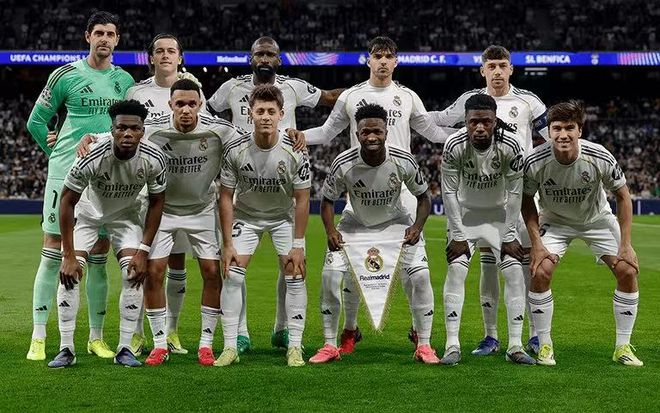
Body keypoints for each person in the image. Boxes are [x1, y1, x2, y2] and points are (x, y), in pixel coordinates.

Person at [303, 36, 450, 353]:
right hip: (362, 191)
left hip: (404, 191)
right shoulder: (352, 96)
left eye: (388, 56)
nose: (383, 61)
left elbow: (432, 132)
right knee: (352, 266)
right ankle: (349, 330)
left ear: (396, 62)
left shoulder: (407, 96)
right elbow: (327, 132)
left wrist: (465, 132)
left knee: (412, 270)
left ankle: (419, 333)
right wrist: (295, 135)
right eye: (377, 56)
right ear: (367, 60)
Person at [207, 36, 342, 353]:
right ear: (250, 58)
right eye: (259, 54)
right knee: (234, 269)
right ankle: (240, 334)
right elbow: (207, 111)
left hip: (282, 184)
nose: (265, 58)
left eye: (270, 54)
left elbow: (330, 98)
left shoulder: (293, 87)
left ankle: (283, 329)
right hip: (242, 182)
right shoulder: (231, 87)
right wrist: (226, 137)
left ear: (279, 60)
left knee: (291, 266)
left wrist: (364, 93)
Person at [25, 11, 134, 361]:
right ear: (88, 36)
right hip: (66, 176)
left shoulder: (124, 80)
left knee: (98, 255)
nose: (105, 39)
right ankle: (39, 336)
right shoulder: (65, 75)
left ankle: (95, 338)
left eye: (111, 34)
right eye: (99, 32)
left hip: (105, 180)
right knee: (54, 249)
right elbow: (36, 122)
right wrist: (56, 153)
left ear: (117, 40)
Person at [433, 45, 549, 355]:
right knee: (488, 265)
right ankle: (491, 336)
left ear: (511, 69)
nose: (497, 71)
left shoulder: (529, 101)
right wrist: (405, 121)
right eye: (492, 66)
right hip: (479, 197)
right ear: (482, 70)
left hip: (518, 194)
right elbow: (439, 121)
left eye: (502, 65)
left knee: (527, 265)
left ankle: (534, 335)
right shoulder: (469, 102)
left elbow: (554, 139)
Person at [308, 103, 439, 364]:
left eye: (377, 131)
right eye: (365, 132)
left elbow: (424, 198)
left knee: (421, 276)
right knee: (329, 276)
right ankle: (330, 344)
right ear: (357, 134)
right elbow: (326, 201)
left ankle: (424, 345)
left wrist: (417, 227)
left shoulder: (403, 159)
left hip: (396, 223)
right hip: (355, 224)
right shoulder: (343, 162)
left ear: (386, 132)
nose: (371, 137)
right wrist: (331, 230)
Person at [522, 100, 642, 366]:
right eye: (557, 128)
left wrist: (626, 244)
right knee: (540, 271)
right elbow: (526, 200)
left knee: (627, 270)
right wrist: (536, 243)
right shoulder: (535, 161)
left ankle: (622, 346)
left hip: (596, 219)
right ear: (549, 131)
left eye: (569, 128)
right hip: (555, 220)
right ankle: (544, 345)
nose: (563, 134)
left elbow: (623, 196)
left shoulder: (599, 156)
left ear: (579, 130)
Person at [47, 100, 166, 368]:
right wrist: (68, 255)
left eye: (134, 128)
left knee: (133, 273)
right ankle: (66, 349)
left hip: (126, 216)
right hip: (89, 215)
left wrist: (144, 251)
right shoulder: (92, 154)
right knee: (69, 275)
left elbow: (158, 201)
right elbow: (66, 200)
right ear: (112, 130)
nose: (127, 133)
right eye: (121, 127)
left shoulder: (153, 158)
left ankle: (125, 349)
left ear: (142, 131)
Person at [215, 84, 311, 367]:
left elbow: (303, 199)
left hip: (283, 217)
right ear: (250, 114)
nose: (265, 116)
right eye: (260, 111)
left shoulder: (295, 150)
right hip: (246, 217)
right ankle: (230, 345)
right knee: (232, 273)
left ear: (281, 114)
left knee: (295, 273)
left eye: (271, 111)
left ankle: (294, 346)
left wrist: (298, 245)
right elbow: (225, 197)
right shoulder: (236, 149)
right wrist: (227, 244)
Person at [125, 33, 208, 356]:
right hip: (146, 191)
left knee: (177, 262)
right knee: (142, 262)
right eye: (159, 51)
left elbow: (207, 126)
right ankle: (136, 334)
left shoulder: (193, 86)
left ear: (180, 57)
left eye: (171, 51)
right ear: (151, 58)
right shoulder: (137, 92)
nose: (165, 55)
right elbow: (125, 129)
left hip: (183, 189)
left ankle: (171, 332)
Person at [440, 94, 534, 366]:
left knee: (514, 273)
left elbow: (515, 193)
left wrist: (509, 235)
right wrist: (458, 235)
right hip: (466, 215)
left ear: (495, 121)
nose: (479, 128)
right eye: (474, 122)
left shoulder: (511, 145)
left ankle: (515, 345)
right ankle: (452, 345)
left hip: (499, 216)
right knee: (456, 270)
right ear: (465, 121)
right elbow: (448, 192)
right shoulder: (453, 144)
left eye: (486, 122)